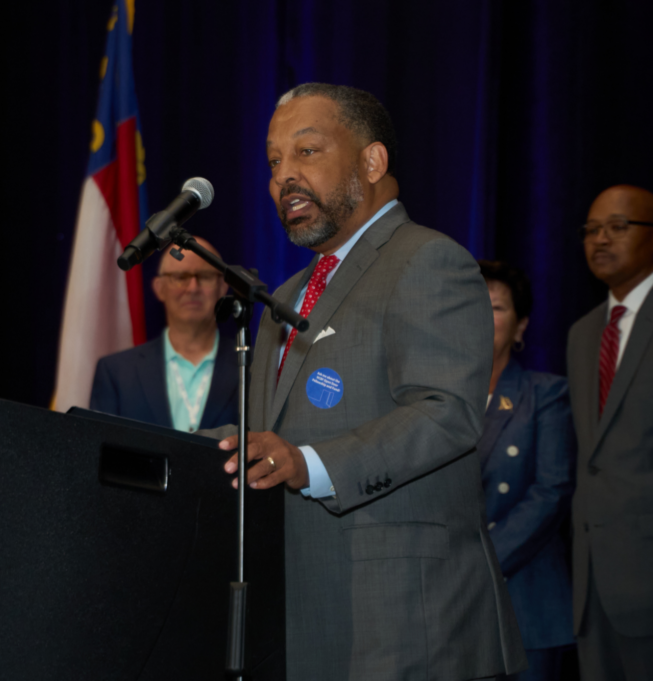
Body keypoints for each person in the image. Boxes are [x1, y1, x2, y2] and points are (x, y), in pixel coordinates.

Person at [212, 83, 526, 678]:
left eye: (307, 152)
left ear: (372, 161)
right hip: (304, 620)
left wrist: (309, 463)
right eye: (274, 161)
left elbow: (446, 413)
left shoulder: (427, 260)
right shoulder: (284, 296)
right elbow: (267, 440)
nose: (284, 177)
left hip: (407, 621)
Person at [567, 184, 653, 680]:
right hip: (593, 581)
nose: (601, 239)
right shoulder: (583, 333)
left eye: (618, 227)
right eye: (591, 230)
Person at [476, 260, 576, 681]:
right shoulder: (431, 399)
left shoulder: (546, 393)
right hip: (450, 608)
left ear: (520, 328)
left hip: (525, 602)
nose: (482, 316)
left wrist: (479, 563)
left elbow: (551, 492)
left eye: (496, 308)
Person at [90, 236, 238, 433]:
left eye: (204, 276)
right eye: (180, 277)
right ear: (159, 288)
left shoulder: (254, 367)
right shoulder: (116, 373)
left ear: (223, 287)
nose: (192, 288)